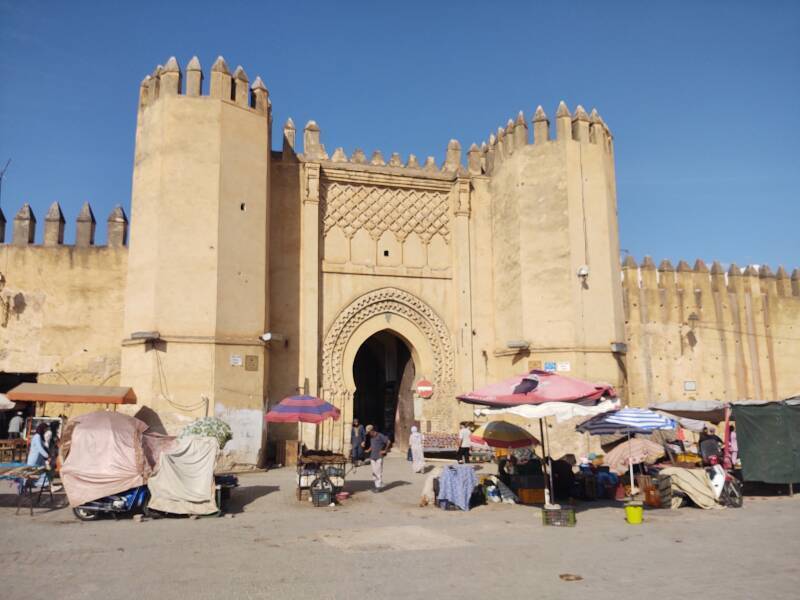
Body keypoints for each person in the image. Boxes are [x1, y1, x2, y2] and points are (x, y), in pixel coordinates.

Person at [26, 423, 50, 489]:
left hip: (39, 458)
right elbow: (40, 448)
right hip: (34, 458)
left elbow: (44, 446)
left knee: (42, 471)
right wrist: (47, 456)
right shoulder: (37, 436)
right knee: (31, 472)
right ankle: (25, 485)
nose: (46, 431)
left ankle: (45, 484)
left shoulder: (40, 436)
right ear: (42, 429)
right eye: (45, 429)